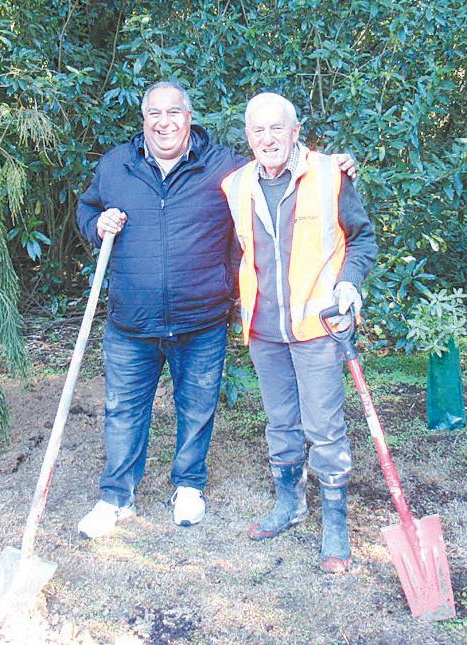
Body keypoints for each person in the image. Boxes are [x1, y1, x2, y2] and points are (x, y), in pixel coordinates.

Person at [76, 81, 357, 538]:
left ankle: (189, 486)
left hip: (202, 318)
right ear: (143, 120)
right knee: (122, 411)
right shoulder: (116, 166)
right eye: (154, 114)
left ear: (189, 117)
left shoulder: (224, 168)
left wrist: (340, 166)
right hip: (132, 321)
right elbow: (87, 210)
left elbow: (281, 168)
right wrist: (96, 223)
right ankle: (116, 496)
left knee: (197, 409)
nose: (164, 122)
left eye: (174, 112)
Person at [222, 92, 377, 573]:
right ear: (248, 136)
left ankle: (335, 522)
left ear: (295, 131)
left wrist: (349, 284)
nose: (268, 138)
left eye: (277, 128)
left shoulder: (330, 174)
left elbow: (362, 238)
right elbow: (236, 252)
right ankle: (289, 504)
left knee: (324, 428)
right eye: (258, 130)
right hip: (264, 330)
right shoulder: (236, 185)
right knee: (280, 422)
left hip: (318, 327)